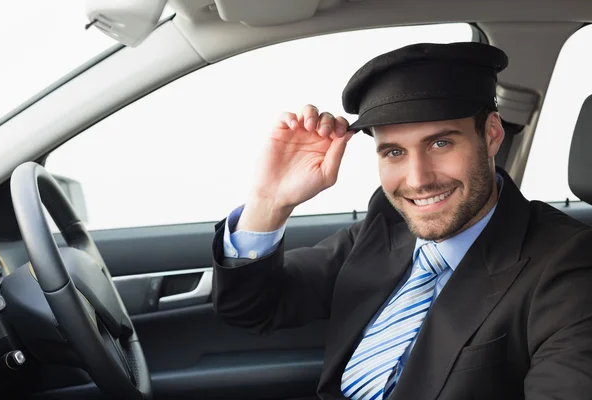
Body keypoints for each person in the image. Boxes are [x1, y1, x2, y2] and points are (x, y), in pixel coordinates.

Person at [211, 42, 592, 400]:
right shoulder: (387, 225)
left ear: (492, 135)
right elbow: (251, 308)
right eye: (393, 152)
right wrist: (269, 201)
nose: (418, 180)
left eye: (441, 143)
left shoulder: (570, 265)